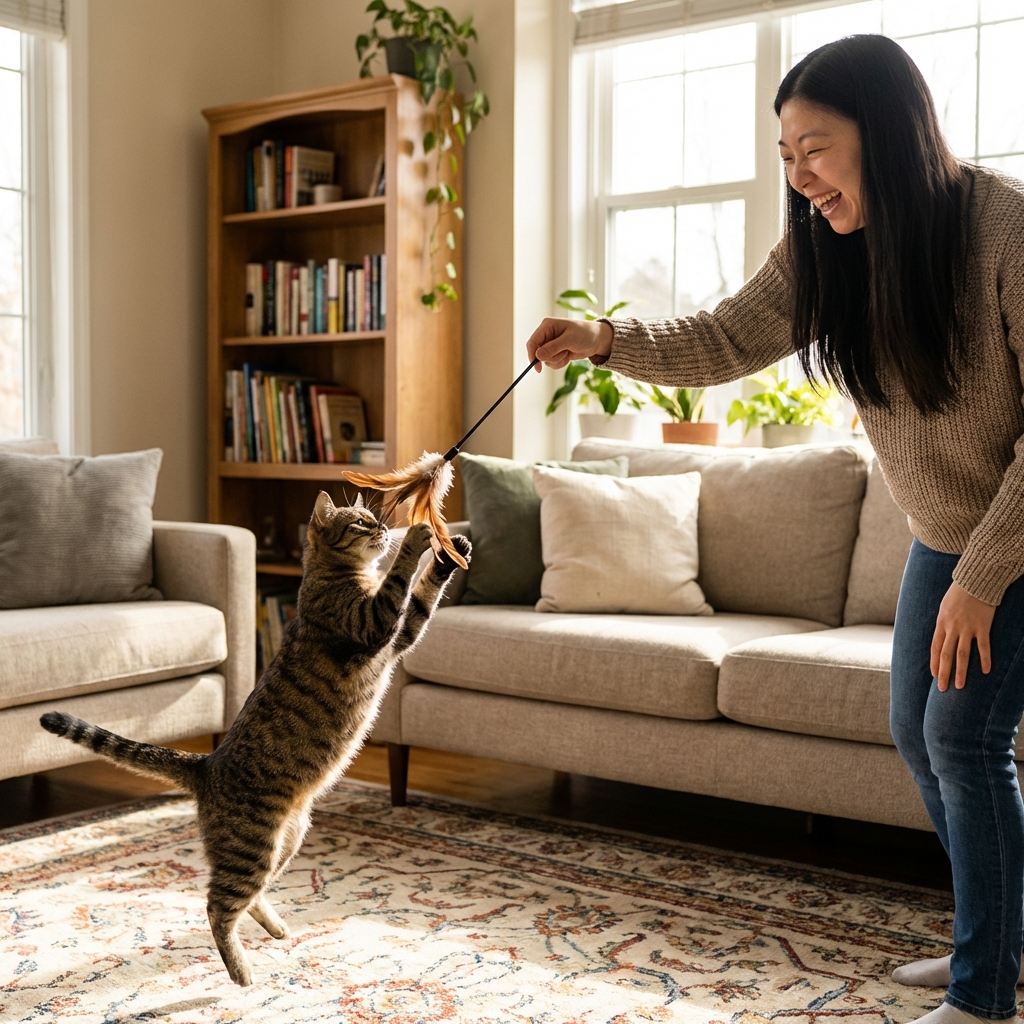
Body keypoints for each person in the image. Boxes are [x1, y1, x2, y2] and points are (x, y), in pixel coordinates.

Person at [527, 34, 1024, 1024]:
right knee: (914, 736)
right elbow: (723, 338)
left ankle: (984, 995)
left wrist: (982, 574)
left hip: (1009, 539)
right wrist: (607, 340)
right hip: (937, 532)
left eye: (816, 149)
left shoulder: (1003, 231)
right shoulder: (822, 246)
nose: (799, 177)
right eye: (786, 154)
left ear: (882, 134)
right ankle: (1000, 933)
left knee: (962, 740)